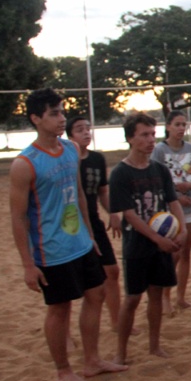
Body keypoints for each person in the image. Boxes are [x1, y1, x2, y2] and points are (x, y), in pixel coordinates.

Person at [9, 89, 127, 381]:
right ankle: (63, 371)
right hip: (51, 252)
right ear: (36, 118)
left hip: (81, 243)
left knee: (97, 294)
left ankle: (92, 360)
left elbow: (77, 198)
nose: (61, 118)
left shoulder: (71, 150)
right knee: (60, 308)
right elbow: (18, 218)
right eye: (54, 113)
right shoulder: (25, 163)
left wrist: (90, 235)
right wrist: (27, 265)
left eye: (62, 112)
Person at [109, 113, 187, 364]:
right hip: (138, 245)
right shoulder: (121, 173)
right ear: (130, 138)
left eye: (153, 134)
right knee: (132, 299)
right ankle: (121, 352)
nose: (151, 140)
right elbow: (129, 215)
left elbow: (173, 202)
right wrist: (157, 239)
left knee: (156, 294)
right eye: (144, 135)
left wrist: (182, 229)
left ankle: (154, 346)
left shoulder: (160, 170)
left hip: (162, 242)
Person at [66, 117, 123, 333]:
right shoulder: (66, 159)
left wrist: (113, 213)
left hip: (94, 222)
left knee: (112, 271)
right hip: (71, 225)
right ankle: (67, 334)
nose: (86, 133)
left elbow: (102, 191)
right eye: (80, 129)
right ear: (70, 135)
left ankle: (117, 321)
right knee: (71, 280)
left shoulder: (97, 159)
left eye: (88, 128)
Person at [152, 111, 191, 313]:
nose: (181, 128)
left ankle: (181, 297)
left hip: (190, 206)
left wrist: (187, 186)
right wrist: (175, 193)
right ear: (168, 127)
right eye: (177, 124)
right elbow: (157, 182)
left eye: (184, 124)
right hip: (169, 209)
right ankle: (165, 297)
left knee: (186, 253)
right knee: (173, 254)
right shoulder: (159, 151)